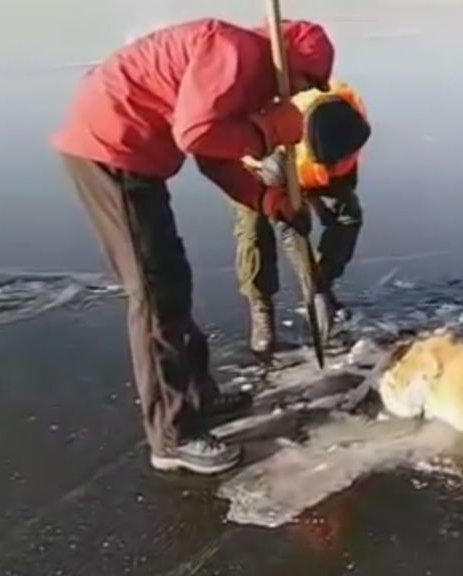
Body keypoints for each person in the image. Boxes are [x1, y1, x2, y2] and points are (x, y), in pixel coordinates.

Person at [52, 18, 335, 474]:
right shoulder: (235, 52)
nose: (302, 93)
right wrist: (266, 131)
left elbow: (213, 153)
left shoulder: (247, 74)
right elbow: (195, 134)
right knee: (154, 294)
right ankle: (172, 436)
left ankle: (197, 397)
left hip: (134, 156)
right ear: (288, 63)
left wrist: (269, 200)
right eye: (306, 80)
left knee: (172, 279)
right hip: (111, 150)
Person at [235, 79, 371, 355]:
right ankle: (262, 315)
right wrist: (292, 212)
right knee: (255, 234)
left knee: (347, 216)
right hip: (255, 171)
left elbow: (342, 195)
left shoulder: (349, 120)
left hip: (313, 160)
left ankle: (324, 286)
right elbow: (288, 230)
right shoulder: (273, 145)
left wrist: (318, 287)